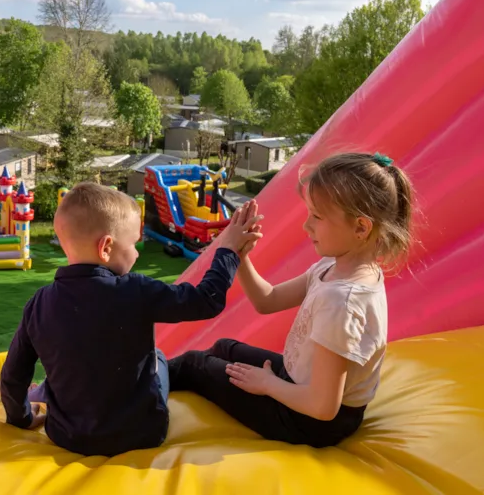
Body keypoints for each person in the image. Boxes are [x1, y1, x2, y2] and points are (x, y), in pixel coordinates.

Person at [168, 151, 414, 448]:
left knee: (195, 365)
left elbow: (323, 407)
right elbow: (267, 300)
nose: (306, 225)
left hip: (310, 422)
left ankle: (136, 386)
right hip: (298, 384)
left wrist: (269, 385)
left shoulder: (342, 302)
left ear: (361, 228)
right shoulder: (333, 268)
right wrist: (240, 255)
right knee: (223, 347)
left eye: (317, 217)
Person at [0, 181, 263, 457]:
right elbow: (205, 300)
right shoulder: (135, 289)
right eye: (134, 244)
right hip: (142, 433)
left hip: (67, 437)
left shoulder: (39, 303)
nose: (136, 253)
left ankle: (45, 391)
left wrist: (23, 418)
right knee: (158, 357)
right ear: (106, 247)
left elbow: (12, 377)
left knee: (78, 358)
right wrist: (228, 251)